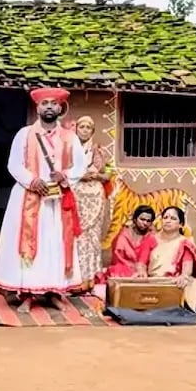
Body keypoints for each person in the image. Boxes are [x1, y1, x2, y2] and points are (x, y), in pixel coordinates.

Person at [0, 86, 87, 312]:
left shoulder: (70, 137)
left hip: (56, 200)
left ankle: (53, 292)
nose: (49, 107)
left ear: (60, 107)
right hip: (28, 198)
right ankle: (27, 293)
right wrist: (33, 181)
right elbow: (13, 164)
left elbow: (80, 166)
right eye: (45, 104)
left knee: (54, 245)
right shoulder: (24, 134)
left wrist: (65, 175)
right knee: (31, 243)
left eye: (54, 103)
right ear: (37, 107)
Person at [73, 115, 113, 292]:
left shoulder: (98, 151)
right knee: (76, 236)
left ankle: (91, 278)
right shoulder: (70, 150)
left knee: (92, 237)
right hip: (75, 196)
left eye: (88, 127)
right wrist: (79, 175)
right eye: (81, 127)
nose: (84, 130)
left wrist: (95, 175)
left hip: (94, 197)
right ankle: (75, 279)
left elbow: (108, 174)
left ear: (92, 131)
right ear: (76, 129)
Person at [147, 206, 196, 311]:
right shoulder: (150, 239)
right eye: (165, 217)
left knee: (195, 285)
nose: (168, 221)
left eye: (173, 218)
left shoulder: (184, 243)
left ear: (181, 224)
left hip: (173, 281)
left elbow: (186, 269)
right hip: (151, 280)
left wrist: (183, 276)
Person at [97, 204, 157, 281]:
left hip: (145, 271)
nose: (145, 223)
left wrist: (143, 268)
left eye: (148, 221)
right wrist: (135, 269)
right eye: (142, 219)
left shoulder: (151, 237)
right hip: (124, 270)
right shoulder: (123, 235)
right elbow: (118, 259)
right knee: (116, 271)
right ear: (134, 219)